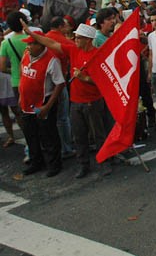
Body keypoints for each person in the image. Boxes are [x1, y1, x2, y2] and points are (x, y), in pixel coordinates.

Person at [22, 22, 110, 178]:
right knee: (79, 136)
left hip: (93, 102)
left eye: (78, 38)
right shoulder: (73, 50)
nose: (74, 40)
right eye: (75, 37)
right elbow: (52, 43)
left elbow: (104, 81)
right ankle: (84, 165)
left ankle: (104, 163)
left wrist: (86, 78)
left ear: (88, 40)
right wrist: (31, 33)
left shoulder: (98, 55)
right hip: (76, 102)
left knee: (98, 135)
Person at [19, 31, 65, 177]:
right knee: (30, 134)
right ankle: (36, 161)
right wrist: (21, 95)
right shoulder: (26, 56)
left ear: (40, 44)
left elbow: (59, 84)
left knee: (48, 135)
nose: (29, 46)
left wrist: (48, 106)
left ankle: (54, 164)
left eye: (32, 43)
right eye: (28, 43)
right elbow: (23, 74)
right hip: (27, 103)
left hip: (43, 102)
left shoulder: (51, 60)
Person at [45, 16, 76, 158]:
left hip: (45, 84)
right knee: (63, 117)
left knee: (51, 117)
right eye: (65, 26)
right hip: (60, 81)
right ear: (59, 27)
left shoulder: (44, 38)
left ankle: (55, 145)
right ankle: (66, 147)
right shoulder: (63, 41)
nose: (68, 28)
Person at [0, 11, 27, 148]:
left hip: (14, 81)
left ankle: (28, 141)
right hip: (26, 79)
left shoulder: (6, 43)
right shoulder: (29, 38)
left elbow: (3, 67)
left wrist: (13, 70)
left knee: (19, 111)